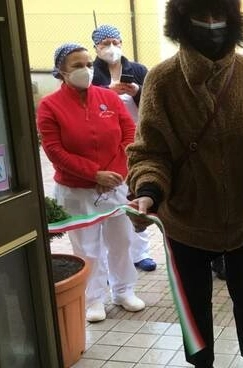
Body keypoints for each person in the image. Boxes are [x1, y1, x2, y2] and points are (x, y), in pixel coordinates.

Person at [125, 0, 243, 367]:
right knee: (193, 302)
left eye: (220, 16)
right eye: (202, 15)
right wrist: (148, 193)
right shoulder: (163, 80)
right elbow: (150, 151)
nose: (212, 25)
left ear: (232, 20)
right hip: (185, 219)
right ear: (181, 20)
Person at [37, 43, 146, 323]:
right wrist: (94, 174)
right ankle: (94, 298)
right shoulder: (49, 106)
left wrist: (117, 173)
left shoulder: (107, 98)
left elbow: (129, 133)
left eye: (87, 63)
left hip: (115, 185)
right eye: (77, 66)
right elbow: (54, 151)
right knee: (87, 248)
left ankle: (123, 290)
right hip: (76, 190)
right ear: (61, 71)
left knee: (122, 240)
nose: (85, 70)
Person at [90, 24, 156, 272]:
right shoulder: (93, 74)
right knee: (109, 200)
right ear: (96, 47)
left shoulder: (137, 70)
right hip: (106, 145)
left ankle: (141, 253)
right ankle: (109, 262)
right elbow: (86, 102)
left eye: (115, 42)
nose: (111, 47)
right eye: (105, 43)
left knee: (137, 195)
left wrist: (137, 91)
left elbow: (152, 102)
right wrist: (107, 92)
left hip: (137, 140)